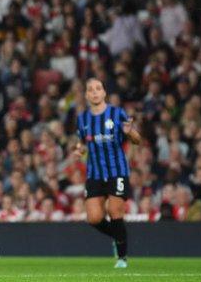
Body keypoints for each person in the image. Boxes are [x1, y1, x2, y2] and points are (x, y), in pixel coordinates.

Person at [73, 78, 141, 268]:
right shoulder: (82, 119)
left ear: (104, 93)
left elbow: (137, 140)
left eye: (98, 89)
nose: (95, 92)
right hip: (94, 173)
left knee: (114, 210)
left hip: (117, 171)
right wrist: (79, 150)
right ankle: (118, 237)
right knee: (94, 218)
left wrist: (130, 132)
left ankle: (122, 258)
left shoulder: (117, 113)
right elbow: (82, 143)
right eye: (90, 90)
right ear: (87, 95)